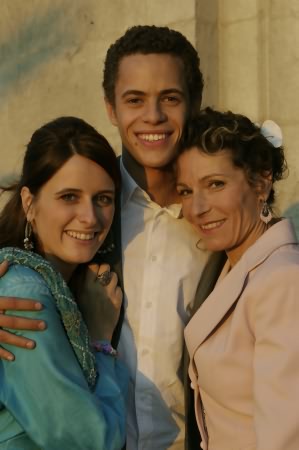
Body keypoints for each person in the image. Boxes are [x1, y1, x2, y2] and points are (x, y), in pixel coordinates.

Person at [0, 26, 224, 449]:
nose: (153, 116)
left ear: (193, 104)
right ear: (110, 106)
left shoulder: (217, 218)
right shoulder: (83, 217)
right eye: (135, 99)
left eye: (170, 99)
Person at [0, 116, 128, 449]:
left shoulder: (67, 286)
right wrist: (100, 339)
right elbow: (89, 441)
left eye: (103, 198)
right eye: (69, 196)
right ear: (30, 203)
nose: (89, 217)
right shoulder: (23, 293)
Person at [176, 107, 299, 450]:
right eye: (185, 191)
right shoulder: (229, 267)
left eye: (215, 184)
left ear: (261, 181)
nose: (197, 208)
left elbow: (285, 438)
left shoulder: (284, 280)